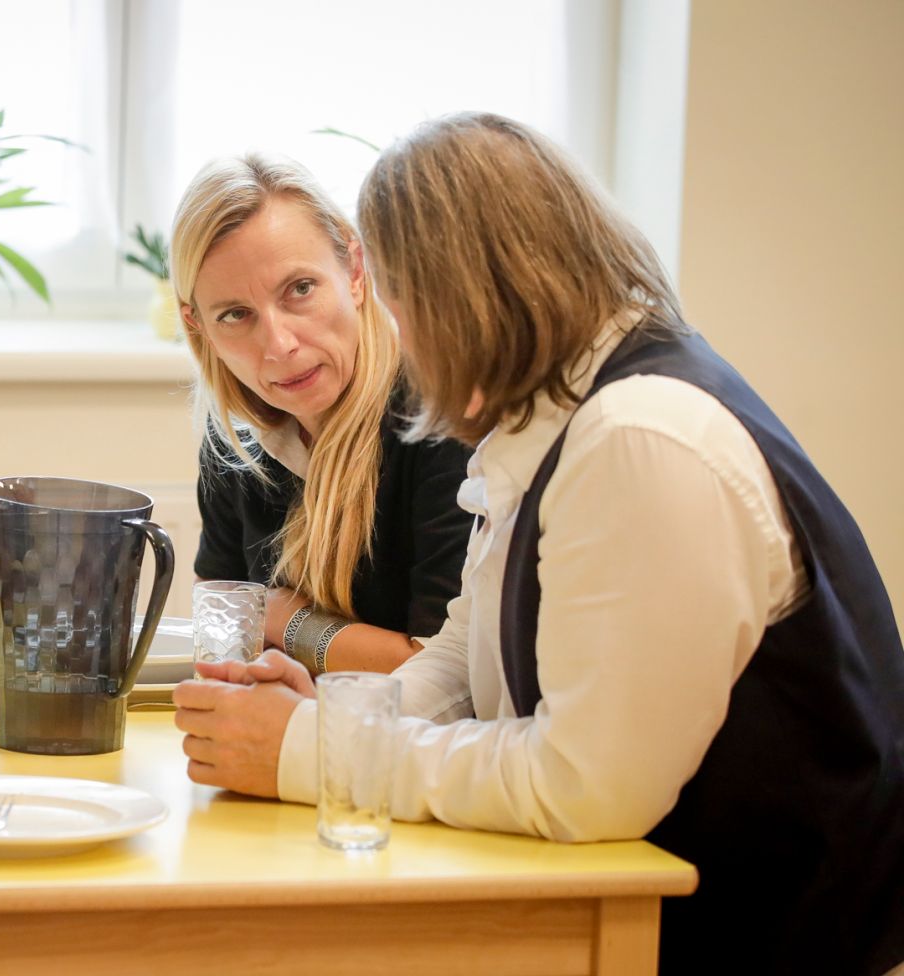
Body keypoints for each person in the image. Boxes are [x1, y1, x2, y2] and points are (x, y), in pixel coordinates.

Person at [175, 112, 904, 974]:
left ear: (463, 293)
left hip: (780, 939)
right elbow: (455, 660)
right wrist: (334, 717)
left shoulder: (640, 436)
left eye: (398, 300)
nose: (394, 336)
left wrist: (307, 750)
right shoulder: (550, 419)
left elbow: (585, 786)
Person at [171, 153, 471, 691]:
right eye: (235, 315)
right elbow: (220, 637)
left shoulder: (440, 420)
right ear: (199, 327)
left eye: (300, 290)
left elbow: (445, 673)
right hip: (293, 744)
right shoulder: (233, 440)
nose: (280, 345)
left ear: (355, 271)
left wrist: (285, 620)